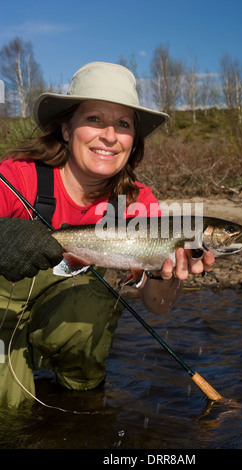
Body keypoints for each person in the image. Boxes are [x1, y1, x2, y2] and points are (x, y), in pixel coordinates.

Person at [0, 62, 215, 408]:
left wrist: (168, 274)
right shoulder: (18, 178)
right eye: (95, 120)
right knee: (8, 409)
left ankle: (78, 400)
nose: (110, 136)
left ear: (134, 140)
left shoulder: (133, 204)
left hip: (60, 318)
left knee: (94, 308)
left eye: (123, 124)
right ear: (67, 129)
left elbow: (158, 306)